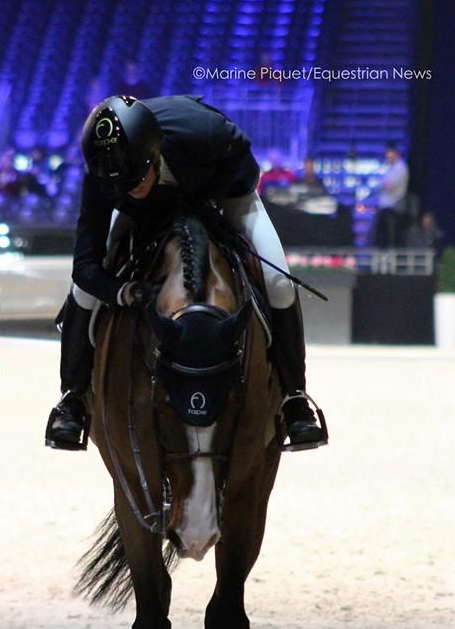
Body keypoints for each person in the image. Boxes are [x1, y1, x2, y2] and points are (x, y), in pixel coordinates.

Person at [45, 94, 327, 453]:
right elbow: (84, 267)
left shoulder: (205, 133)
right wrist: (123, 290)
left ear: (156, 152)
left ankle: (295, 400)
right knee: (82, 292)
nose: (134, 187)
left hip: (222, 192)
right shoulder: (106, 174)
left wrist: (203, 207)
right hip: (143, 213)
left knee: (280, 282)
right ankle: (71, 400)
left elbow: (246, 171)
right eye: (123, 183)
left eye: (138, 176)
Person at [371, 142, 409, 248]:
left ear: (395, 153)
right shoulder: (390, 168)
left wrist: (380, 185)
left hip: (393, 207)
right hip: (384, 206)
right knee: (379, 236)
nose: (387, 156)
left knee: (386, 237)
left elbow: (389, 185)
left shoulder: (400, 168)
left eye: (389, 153)